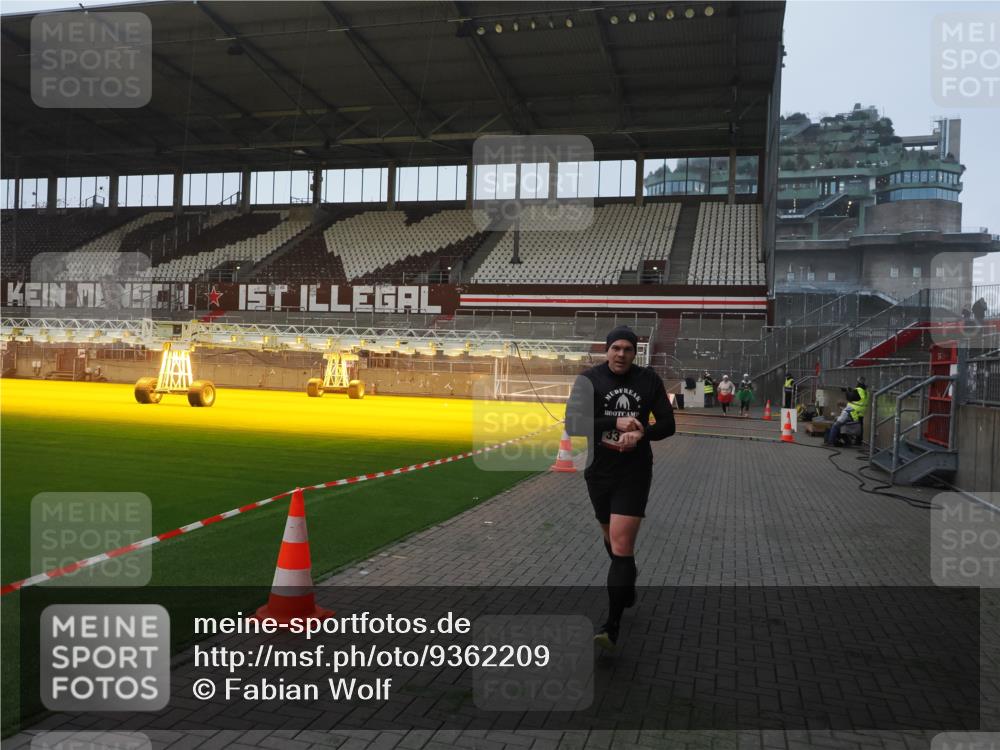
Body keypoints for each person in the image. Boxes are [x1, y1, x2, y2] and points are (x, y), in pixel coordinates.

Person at [565, 326, 676, 651]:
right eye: (616, 348)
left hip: (634, 472)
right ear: (607, 350)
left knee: (621, 543)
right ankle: (627, 576)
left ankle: (611, 627)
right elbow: (572, 423)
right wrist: (613, 423)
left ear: (635, 352)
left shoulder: (648, 380)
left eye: (628, 349)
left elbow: (667, 424)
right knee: (611, 540)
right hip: (599, 472)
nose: (621, 354)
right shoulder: (589, 379)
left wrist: (642, 432)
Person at [825, 382, 868, 447]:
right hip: (857, 415)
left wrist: (847, 390)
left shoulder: (858, 390)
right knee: (842, 427)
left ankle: (830, 442)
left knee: (835, 426)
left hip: (851, 412)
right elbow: (855, 397)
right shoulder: (866, 393)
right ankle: (849, 442)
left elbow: (850, 397)